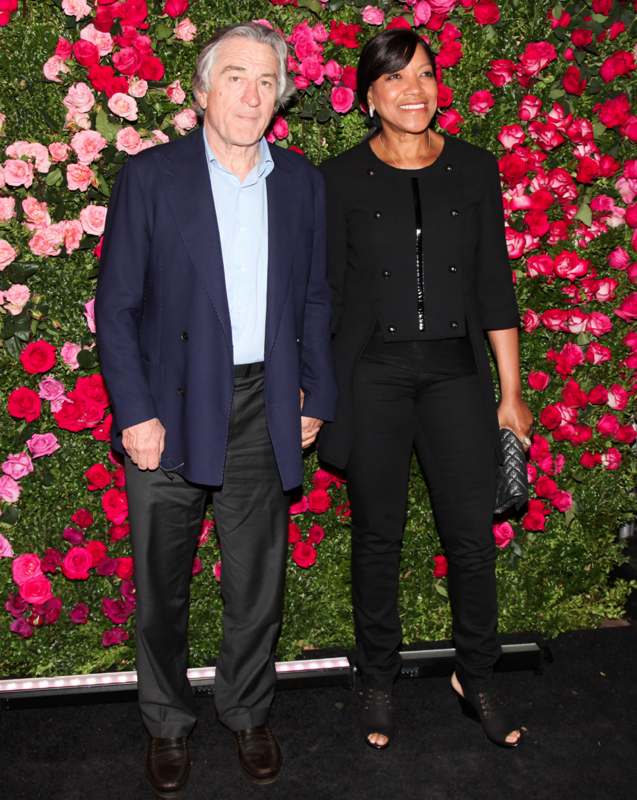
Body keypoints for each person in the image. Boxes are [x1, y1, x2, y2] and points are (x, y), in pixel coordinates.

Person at [95, 22, 336, 797]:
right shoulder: (151, 177)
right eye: (235, 77)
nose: (251, 94)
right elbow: (118, 303)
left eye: (266, 81)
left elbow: (312, 298)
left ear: (280, 98)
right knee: (161, 584)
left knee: (255, 583)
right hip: (167, 409)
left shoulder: (299, 181)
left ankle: (245, 709)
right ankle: (166, 720)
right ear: (201, 92)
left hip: (263, 402)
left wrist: (313, 393)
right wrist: (134, 411)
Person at [318, 29, 533, 751]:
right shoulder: (339, 177)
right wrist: (320, 391)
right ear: (367, 95)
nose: (413, 89)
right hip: (373, 375)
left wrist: (510, 392)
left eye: (425, 75)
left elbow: (494, 287)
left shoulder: (473, 169)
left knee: (470, 539)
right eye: (394, 79)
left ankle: (476, 676)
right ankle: (377, 679)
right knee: (377, 538)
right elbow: (330, 295)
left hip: (455, 374)